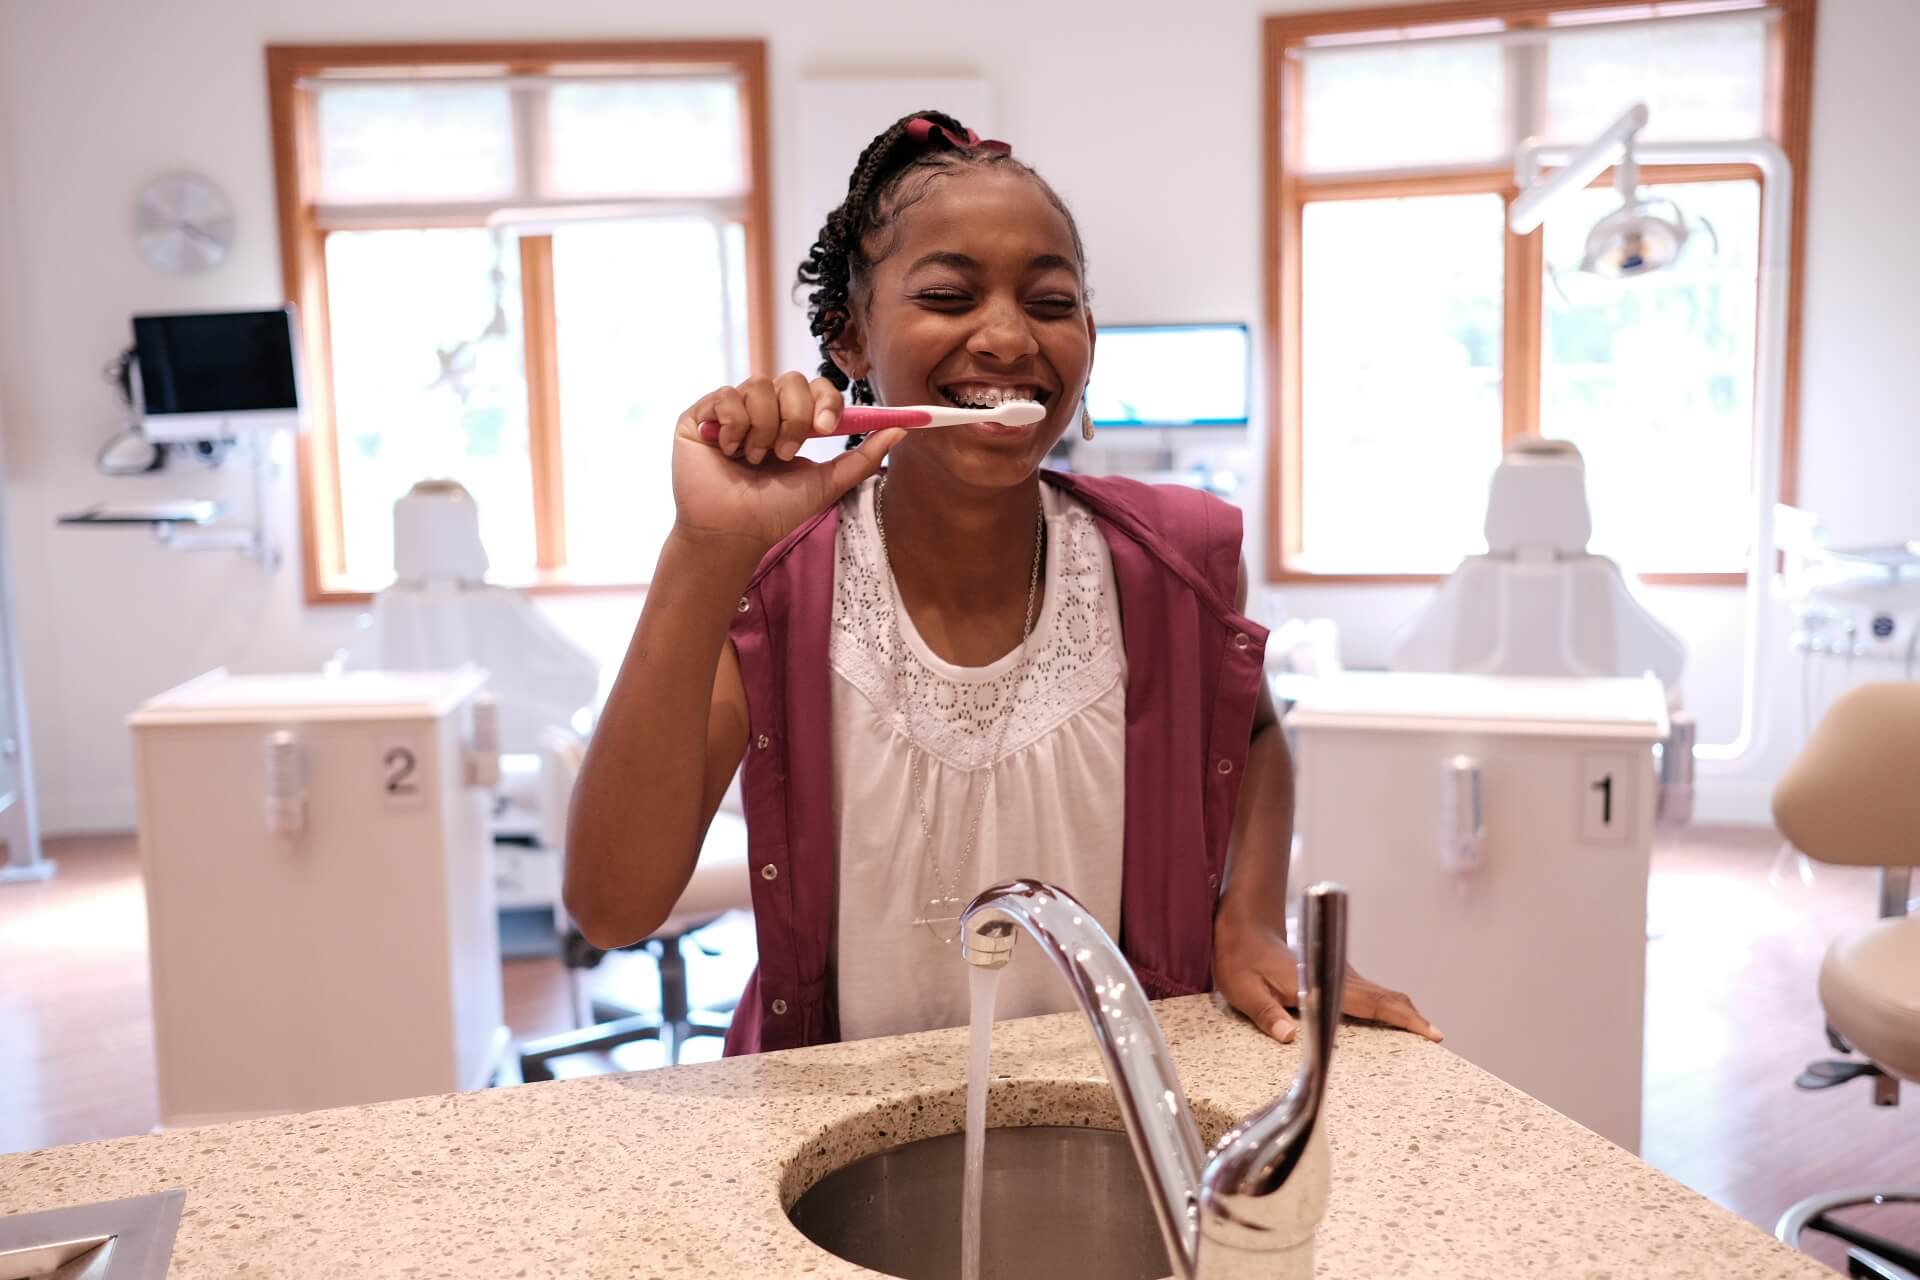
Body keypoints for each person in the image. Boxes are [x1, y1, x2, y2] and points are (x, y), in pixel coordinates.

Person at [565, 110, 1438, 1053]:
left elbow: (1258, 730)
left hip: (1110, 1120)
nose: (1009, 338)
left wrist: (1249, 916)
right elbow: (613, 908)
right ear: (849, 336)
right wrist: (705, 547)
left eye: (1052, 304)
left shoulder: (1171, 560)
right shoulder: (775, 592)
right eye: (948, 295)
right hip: (840, 1134)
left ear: (1089, 342)